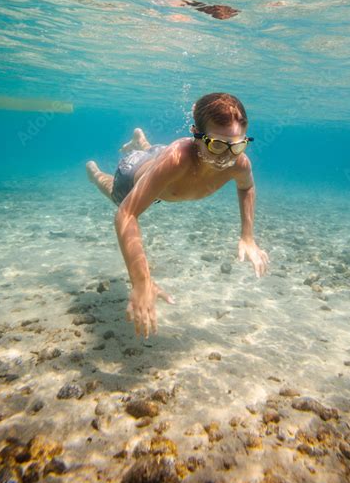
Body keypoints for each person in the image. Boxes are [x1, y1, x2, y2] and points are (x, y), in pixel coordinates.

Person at [86, 92, 269, 338]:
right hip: (132, 173)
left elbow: (246, 186)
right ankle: (94, 171)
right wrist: (141, 281)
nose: (226, 156)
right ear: (195, 134)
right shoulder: (177, 160)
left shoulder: (239, 163)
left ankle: (141, 140)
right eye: (216, 145)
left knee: (156, 153)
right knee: (114, 194)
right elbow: (126, 214)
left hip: (159, 158)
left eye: (237, 145)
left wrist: (247, 236)